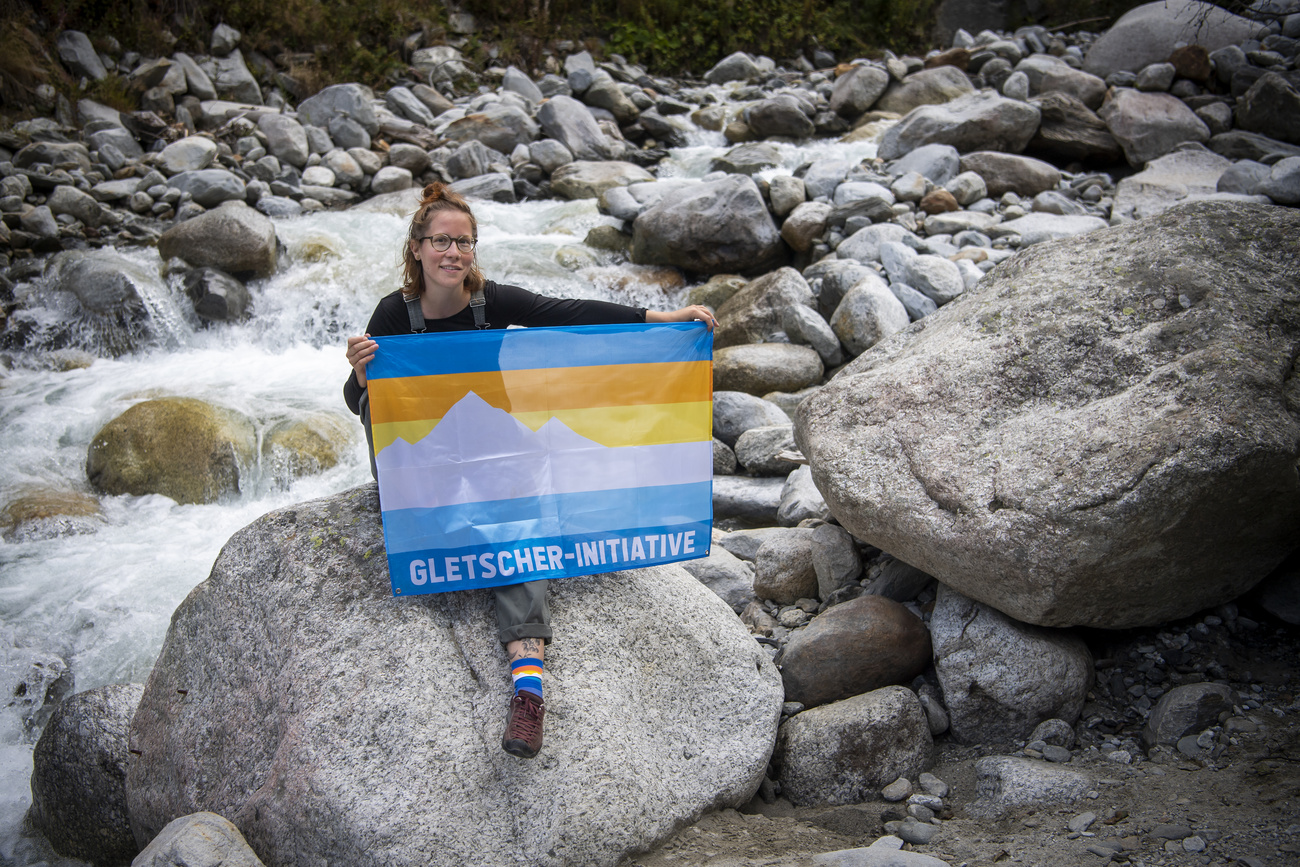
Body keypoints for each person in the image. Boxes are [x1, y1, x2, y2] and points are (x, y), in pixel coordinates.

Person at [345, 182, 715, 759]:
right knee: (381, 405)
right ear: (416, 248)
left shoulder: (490, 301)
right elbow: (358, 401)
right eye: (441, 241)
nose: (454, 253)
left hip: (493, 449)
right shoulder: (394, 313)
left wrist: (662, 317)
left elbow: (566, 313)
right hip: (428, 458)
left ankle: (527, 690)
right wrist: (363, 373)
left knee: (521, 540)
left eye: (464, 242)